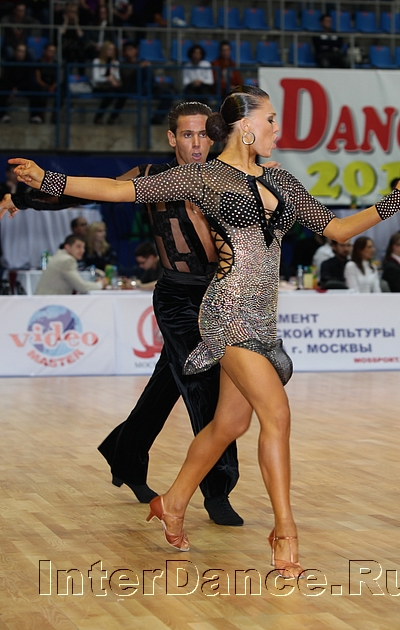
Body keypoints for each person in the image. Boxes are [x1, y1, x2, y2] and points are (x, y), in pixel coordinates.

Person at [10, 85, 400, 577]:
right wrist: (47, 179)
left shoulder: (281, 180)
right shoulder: (203, 178)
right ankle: (285, 533)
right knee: (277, 415)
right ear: (246, 126)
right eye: (271, 120)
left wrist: (395, 200)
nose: (278, 129)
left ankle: (173, 501)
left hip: (264, 318)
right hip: (226, 313)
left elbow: (336, 230)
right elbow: (119, 190)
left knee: (229, 425)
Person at [3, 102, 245, 526]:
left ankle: (125, 455)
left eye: (204, 134)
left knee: (166, 387)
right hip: (177, 298)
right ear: (171, 138)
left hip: (221, 295)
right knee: (205, 385)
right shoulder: (150, 178)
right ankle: (217, 489)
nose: (196, 143)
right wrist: (25, 198)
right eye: (187, 134)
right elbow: (88, 191)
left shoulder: (228, 178)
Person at [35, 234, 107, 295]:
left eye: (83, 247)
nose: (82, 250)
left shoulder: (59, 256)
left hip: (45, 300)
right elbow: (81, 287)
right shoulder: (67, 260)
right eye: (78, 247)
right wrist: (100, 284)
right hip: (51, 302)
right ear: (67, 247)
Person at [0, 43, 36, 124]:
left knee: (35, 87)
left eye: (23, 51)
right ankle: (3, 115)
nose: (21, 53)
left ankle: (35, 116)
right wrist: (13, 88)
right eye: (19, 51)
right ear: (15, 52)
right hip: (10, 86)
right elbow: (5, 77)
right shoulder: (9, 62)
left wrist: (17, 88)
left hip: (24, 86)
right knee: (2, 87)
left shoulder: (29, 63)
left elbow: (29, 79)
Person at [91, 41, 122, 125]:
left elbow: (118, 77)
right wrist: (108, 79)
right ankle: (98, 117)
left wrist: (114, 79)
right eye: (109, 49)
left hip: (112, 85)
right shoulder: (97, 61)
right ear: (104, 50)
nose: (111, 51)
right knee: (110, 94)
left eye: (113, 49)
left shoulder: (116, 63)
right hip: (100, 86)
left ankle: (113, 118)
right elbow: (96, 78)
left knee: (123, 94)